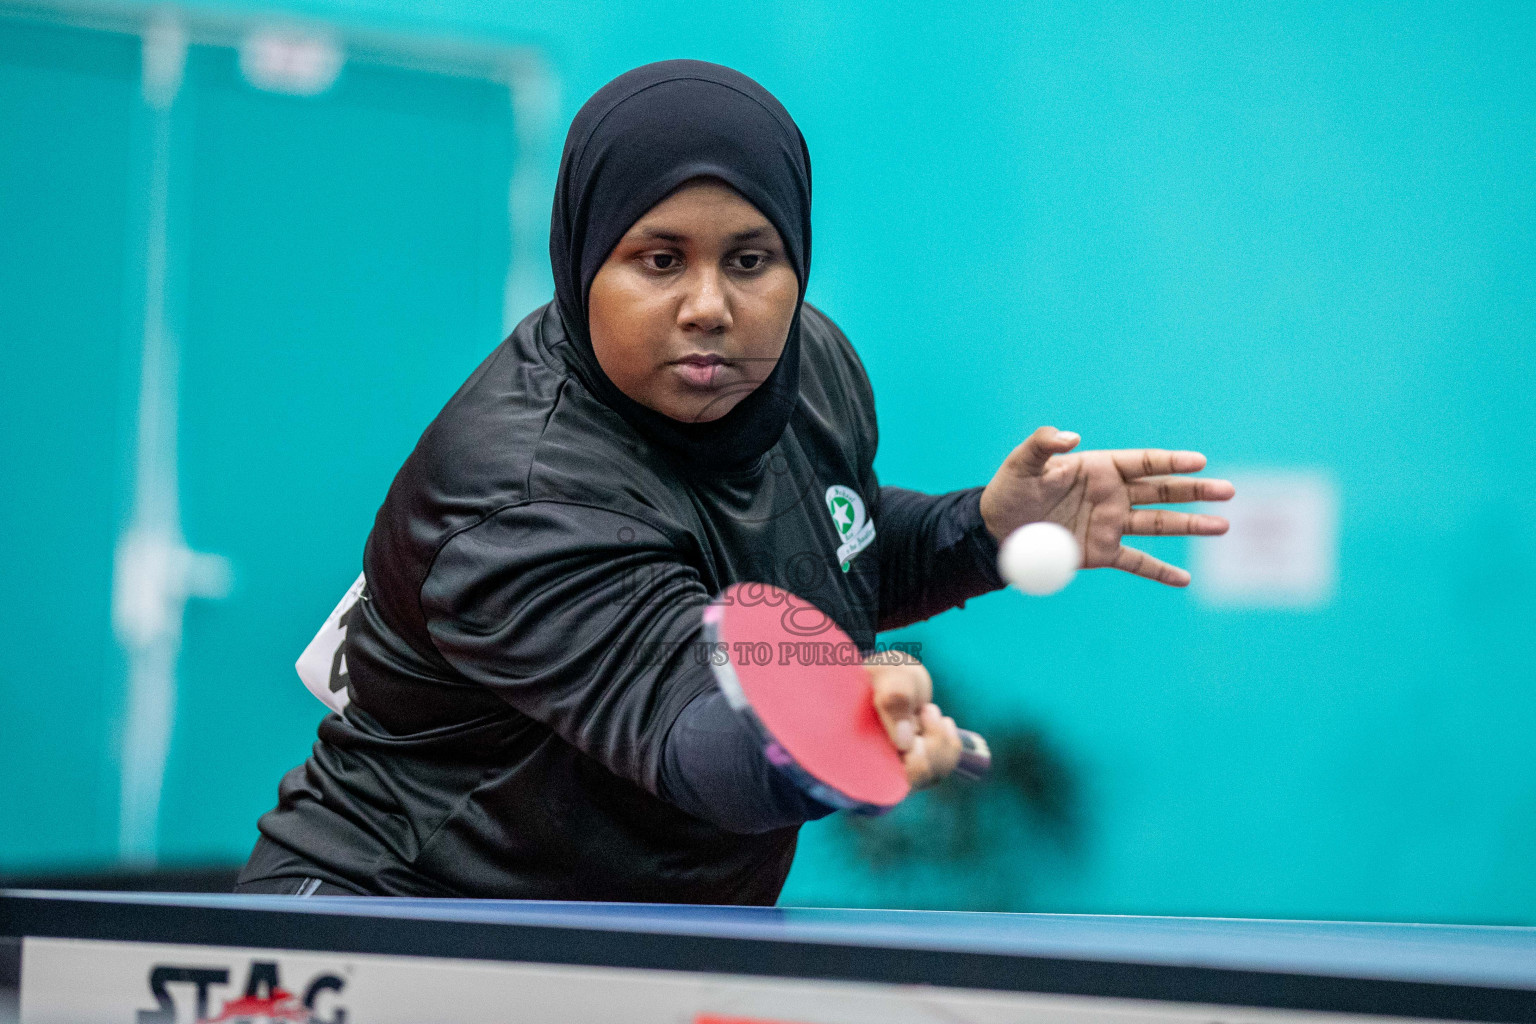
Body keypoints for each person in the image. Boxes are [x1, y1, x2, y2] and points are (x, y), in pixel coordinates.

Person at [235, 60, 1232, 901]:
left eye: (750, 259)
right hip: (398, 919)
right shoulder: (519, 490)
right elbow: (698, 736)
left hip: (630, 932)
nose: (709, 306)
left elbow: (817, 545)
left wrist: (987, 528)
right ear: (584, 262)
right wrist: (848, 725)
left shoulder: (812, 371)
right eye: (658, 259)